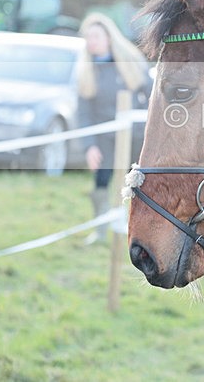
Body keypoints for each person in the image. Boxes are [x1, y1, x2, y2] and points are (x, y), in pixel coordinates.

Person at [78, 12, 150, 244]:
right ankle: (100, 232)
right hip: (104, 139)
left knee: (139, 184)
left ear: (109, 37)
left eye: (96, 36)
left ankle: (138, 232)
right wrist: (89, 147)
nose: (92, 41)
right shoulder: (86, 72)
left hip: (135, 136)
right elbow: (84, 113)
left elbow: (152, 96)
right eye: (88, 37)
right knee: (101, 180)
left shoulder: (130, 62)